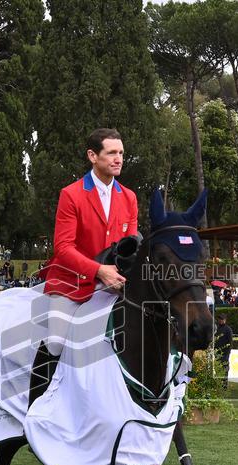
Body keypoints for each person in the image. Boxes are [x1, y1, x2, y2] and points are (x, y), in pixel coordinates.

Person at [38, 128, 138, 356]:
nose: (119, 159)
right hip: (70, 284)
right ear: (93, 156)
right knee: (55, 345)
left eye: (121, 153)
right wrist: (99, 270)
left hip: (115, 285)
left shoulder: (130, 197)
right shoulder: (71, 194)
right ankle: (45, 393)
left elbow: (130, 247)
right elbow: (63, 248)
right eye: (112, 152)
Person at [214, 313, 234, 389]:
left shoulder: (228, 329)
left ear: (225, 320)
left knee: (224, 369)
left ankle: (224, 385)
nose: (220, 320)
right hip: (217, 352)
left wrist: (227, 353)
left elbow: (230, 342)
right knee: (217, 368)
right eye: (219, 319)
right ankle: (218, 384)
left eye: (222, 319)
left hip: (224, 353)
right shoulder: (217, 328)